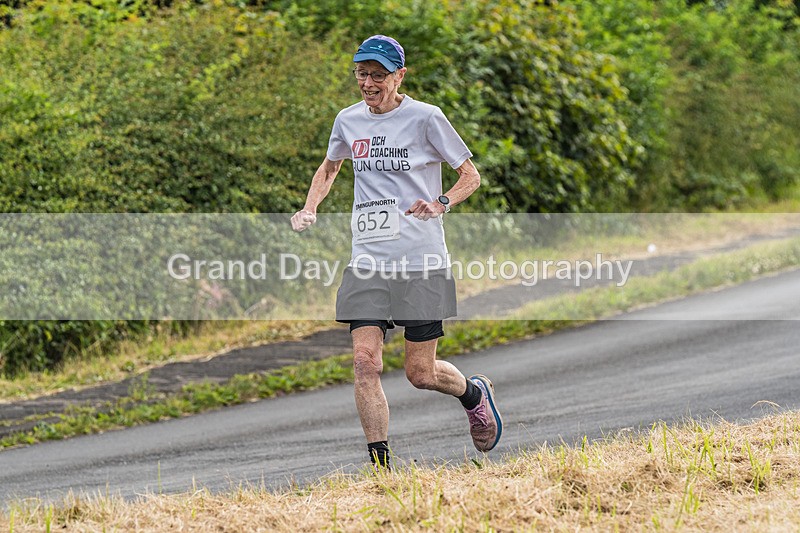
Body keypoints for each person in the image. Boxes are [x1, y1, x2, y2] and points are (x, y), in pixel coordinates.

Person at [291, 35, 502, 469]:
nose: (368, 83)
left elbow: (470, 176)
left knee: (420, 374)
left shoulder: (426, 118)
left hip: (421, 259)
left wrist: (441, 203)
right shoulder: (348, 120)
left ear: (399, 76)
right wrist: (310, 207)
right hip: (368, 260)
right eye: (362, 74)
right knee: (364, 362)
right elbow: (330, 166)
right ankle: (381, 470)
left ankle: (474, 394)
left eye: (378, 75)